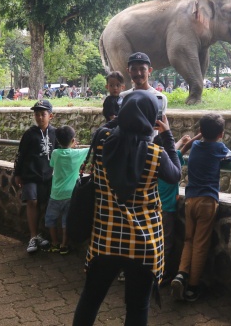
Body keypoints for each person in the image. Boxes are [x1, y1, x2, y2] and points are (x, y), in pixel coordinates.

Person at [72, 91, 182, 326]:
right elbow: (176, 175)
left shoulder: (101, 149)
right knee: (137, 306)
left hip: (105, 240)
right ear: (152, 117)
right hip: (144, 245)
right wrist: (168, 135)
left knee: (90, 299)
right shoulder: (156, 155)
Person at [171, 114, 231, 302]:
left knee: (188, 240)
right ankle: (192, 287)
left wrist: (197, 137)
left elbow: (184, 150)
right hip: (207, 202)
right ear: (221, 134)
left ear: (201, 132)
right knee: (200, 245)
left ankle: (181, 273)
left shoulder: (196, 146)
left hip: (190, 200)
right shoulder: (219, 147)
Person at [14, 100, 57, 253]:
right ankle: (33, 236)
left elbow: (61, 151)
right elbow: (21, 155)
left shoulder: (55, 133)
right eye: (37, 114)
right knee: (32, 202)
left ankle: (42, 235)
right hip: (30, 174)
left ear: (50, 116)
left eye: (43, 114)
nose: (39, 117)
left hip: (48, 175)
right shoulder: (29, 134)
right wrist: (17, 173)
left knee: (45, 204)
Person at [46, 126, 89, 254]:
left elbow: (52, 165)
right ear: (73, 140)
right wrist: (75, 147)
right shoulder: (77, 153)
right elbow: (91, 149)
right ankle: (64, 245)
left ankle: (54, 243)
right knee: (66, 221)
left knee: (50, 219)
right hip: (70, 194)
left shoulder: (55, 153)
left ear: (58, 141)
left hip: (55, 194)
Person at [154, 134, 190, 285]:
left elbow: (173, 150)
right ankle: (162, 275)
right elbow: (184, 149)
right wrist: (199, 135)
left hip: (155, 208)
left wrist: (180, 140)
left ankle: (152, 273)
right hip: (167, 210)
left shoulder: (152, 160)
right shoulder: (170, 167)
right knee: (166, 243)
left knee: (155, 242)